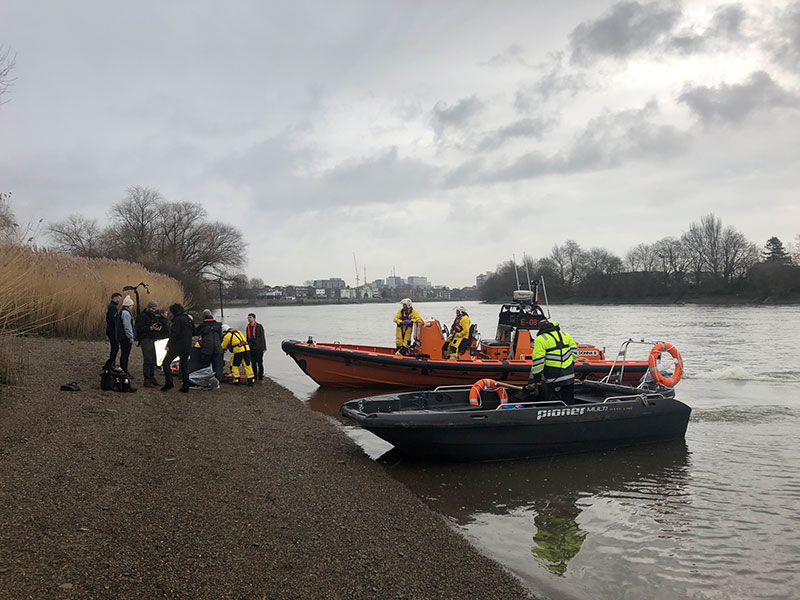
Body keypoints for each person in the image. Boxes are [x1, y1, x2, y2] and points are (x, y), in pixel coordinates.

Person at [525, 319, 578, 405]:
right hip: (569, 375)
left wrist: (537, 378)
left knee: (555, 402)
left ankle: (555, 417)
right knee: (569, 401)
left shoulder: (540, 339)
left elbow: (538, 360)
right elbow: (574, 351)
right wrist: (571, 364)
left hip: (554, 377)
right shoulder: (565, 335)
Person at [161, 303, 194, 393]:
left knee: (166, 363)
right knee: (184, 366)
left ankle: (169, 382)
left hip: (177, 346)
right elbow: (194, 332)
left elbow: (174, 334)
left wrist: (168, 345)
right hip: (187, 345)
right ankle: (185, 385)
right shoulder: (188, 319)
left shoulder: (177, 320)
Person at [135, 300, 168, 387]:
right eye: (153, 308)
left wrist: (158, 327)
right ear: (148, 307)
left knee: (153, 359)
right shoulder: (142, 317)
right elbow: (139, 329)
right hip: (146, 339)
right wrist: (150, 328)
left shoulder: (153, 316)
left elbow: (158, 322)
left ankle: (152, 377)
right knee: (148, 359)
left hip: (153, 339)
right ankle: (146, 379)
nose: (154, 310)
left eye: (155, 308)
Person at [196, 309, 224, 383]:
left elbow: (195, 333)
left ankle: (206, 379)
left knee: (205, 365)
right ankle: (218, 379)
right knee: (217, 364)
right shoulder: (218, 325)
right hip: (217, 348)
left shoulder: (202, 325)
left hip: (207, 348)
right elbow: (221, 337)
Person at [115, 295, 136, 375]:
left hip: (121, 336)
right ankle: (124, 370)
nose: (132, 307)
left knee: (124, 354)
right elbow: (127, 326)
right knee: (125, 354)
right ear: (129, 305)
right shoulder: (126, 313)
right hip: (125, 338)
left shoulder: (121, 312)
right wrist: (130, 337)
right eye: (131, 305)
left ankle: (123, 369)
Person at [246, 313, 267, 383]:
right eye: (248, 318)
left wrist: (264, 347)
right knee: (253, 363)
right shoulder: (248, 327)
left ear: (254, 318)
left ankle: (260, 377)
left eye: (250, 317)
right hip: (251, 347)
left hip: (258, 347)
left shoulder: (259, 326)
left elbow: (262, 337)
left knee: (260, 363)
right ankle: (254, 376)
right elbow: (247, 338)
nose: (249, 319)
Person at [103, 292, 122, 370]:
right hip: (112, 330)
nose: (119, 300)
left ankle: (109, 364)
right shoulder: (112, 307)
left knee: (115, 348)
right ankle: (110, 364)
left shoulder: (113, 307)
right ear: (113, 298)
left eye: (120, 299)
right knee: (115, 348)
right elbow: (112, 319)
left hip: (111, 330)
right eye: (118, 298)